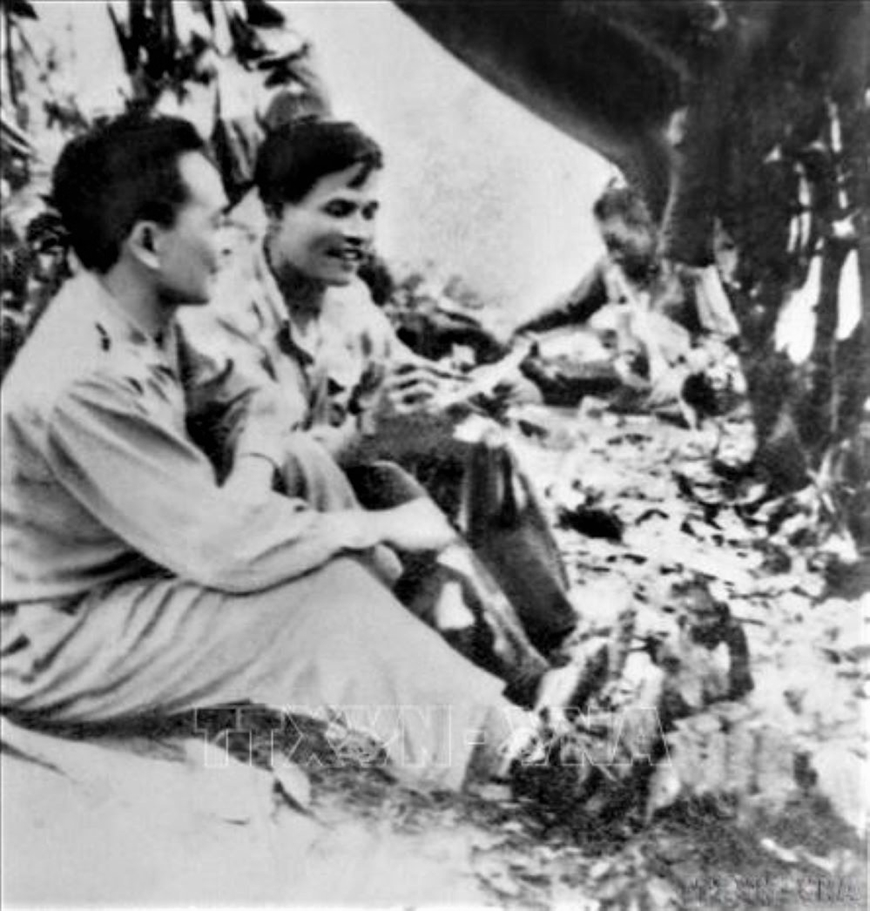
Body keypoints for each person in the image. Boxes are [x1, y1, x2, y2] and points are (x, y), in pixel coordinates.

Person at [0, 112, 548, 794]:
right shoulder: (87, 380)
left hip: (136, 569)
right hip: (56, 639)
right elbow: (222, 548)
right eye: (214, 223)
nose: (230, 243)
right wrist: (368, 525)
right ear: (148, 241)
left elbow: (253, 402)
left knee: (307, 475)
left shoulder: (137, 314)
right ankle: (543, 762)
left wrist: (260, 471)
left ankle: (447, 674)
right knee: (321, 602)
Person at [178, 118, 579, 676]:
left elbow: (398, 371)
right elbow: (258, 476)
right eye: (339, 210)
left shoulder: (347, 298)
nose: (359, 233)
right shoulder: (220, 317)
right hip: (251, 526)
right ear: (274, 210)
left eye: (369, 213)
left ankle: (556, 634)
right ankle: (512, 680)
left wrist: (463, 391)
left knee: (477, 442)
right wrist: (365, 434)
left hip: (335, 477)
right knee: (393, 492)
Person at [513, 182, 741, 416]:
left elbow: (725, 336)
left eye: (619, 244)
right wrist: (517, 329)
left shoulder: (690, 268)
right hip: (637, 384)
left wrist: (681, 373)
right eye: (607, 245)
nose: (613, 254)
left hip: (691, 386)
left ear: (647, 230)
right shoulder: (611, 268)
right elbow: (571, 308)